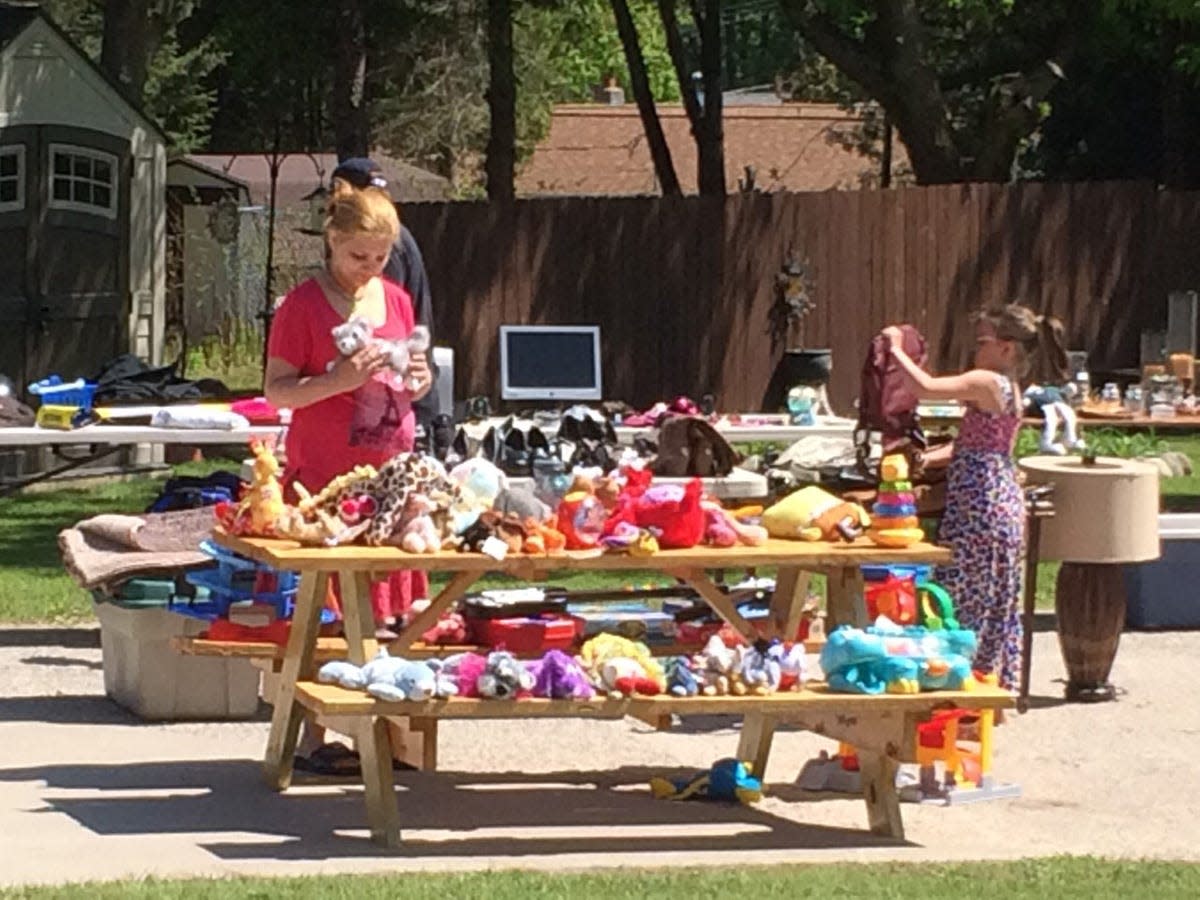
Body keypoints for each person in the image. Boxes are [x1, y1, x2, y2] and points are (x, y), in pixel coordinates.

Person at [264, 170, 434, 638]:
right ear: (333, 239)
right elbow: (277, 390)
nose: (371, 267)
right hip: (326, 485)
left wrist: (420, 380)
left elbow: (413, 382)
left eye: (382, 257)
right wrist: (338, 380)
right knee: (332, 628)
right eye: (358, 255)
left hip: (391, 484)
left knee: (394, 631)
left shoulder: (397, 300)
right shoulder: (302, 306)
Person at [882, 305, 1068, 691]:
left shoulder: (987, 381)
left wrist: (896, 349)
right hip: (996, 499)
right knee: (991, 598)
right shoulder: (1008, 388)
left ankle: (964, 686)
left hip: (981, 506)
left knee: (964, 597)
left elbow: (925, 388)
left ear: (1006, 348)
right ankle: (987, 684)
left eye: (982, 342)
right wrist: (928, 456)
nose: (975, 351)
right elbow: (978, 445)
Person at [328, 158, 442, 440]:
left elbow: (380, 333)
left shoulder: (383, 245)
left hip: (397, 406)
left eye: (380, 258)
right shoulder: (394, 238)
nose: (371, 265)